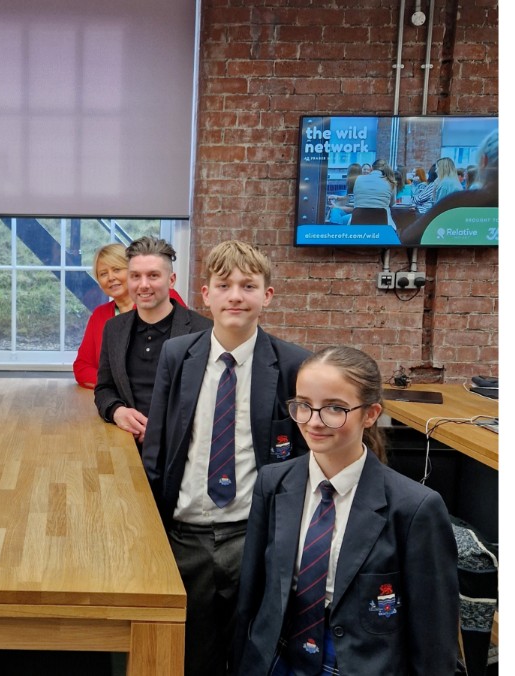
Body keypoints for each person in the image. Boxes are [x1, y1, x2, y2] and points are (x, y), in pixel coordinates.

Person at [232, 346, 459, 675]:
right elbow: (251, 595)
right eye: (304, 406)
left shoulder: (414, 508)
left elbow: (434, 637)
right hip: (277, 658)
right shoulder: (273, 481)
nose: (314, 421)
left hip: (354, 662)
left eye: (335, 409)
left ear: (370, 414)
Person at [141, 240, 310, 676]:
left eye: (249, 285)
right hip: (185, 536)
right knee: (192, 654)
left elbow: (303, 461)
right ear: (205, 294)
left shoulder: (293, 365)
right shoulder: (178, 356)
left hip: (251, 537)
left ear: (267, 296)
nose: (236, 294)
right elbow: (157, 446)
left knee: (253, 651)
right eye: (224, 284)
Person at [93, 235, 211, 448]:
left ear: (171, 280)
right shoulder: (114, 329)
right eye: (135, 276)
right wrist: (116, 410)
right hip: (126, 447)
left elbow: (209, 402)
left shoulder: (203, 331)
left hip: (181, 451)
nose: (143, 285)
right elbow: (104, 388)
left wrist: (161, 430)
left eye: (153, 275)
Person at [73, 243, 187, 388]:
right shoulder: (99, 315)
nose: (110, 277)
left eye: (117, 269)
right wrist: (119, 385)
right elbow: (82, 367)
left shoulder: (165, 299)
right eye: (103, 274)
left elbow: (186, 359)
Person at [400, 129, 499, 246]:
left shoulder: (459, 198)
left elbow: (407, 237)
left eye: (437, 167)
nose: (435, 170)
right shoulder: (452, 184)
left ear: (483, 161)